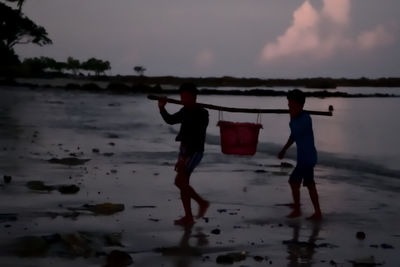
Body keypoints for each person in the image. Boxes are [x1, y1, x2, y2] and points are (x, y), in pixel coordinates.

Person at [158, 83, 210, 226]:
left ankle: (202, 202)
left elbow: (195, 136)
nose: (183, 99)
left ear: (194, 97)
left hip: (193, 151)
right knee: (183, 183)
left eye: (186, 97)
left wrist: (184, 157)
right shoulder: (185, 110)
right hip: (184, 149)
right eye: (182, 97)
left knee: (179, 182)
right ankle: (188, 217)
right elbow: (171, 120)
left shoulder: (202, 113)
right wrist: (162, 108)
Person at [278, 89, 322, 220]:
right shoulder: (296, 118)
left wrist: (292, 117)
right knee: (310, 184)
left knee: (293, 181)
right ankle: (317, 212)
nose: (288, 106)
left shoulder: (305, 118)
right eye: (288, 104)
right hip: (307, 158)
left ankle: (297, 209)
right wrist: (284, 149)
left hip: (306, 159)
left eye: (290, 103)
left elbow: (296, 131)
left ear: (298, 104)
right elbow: (293, 136)